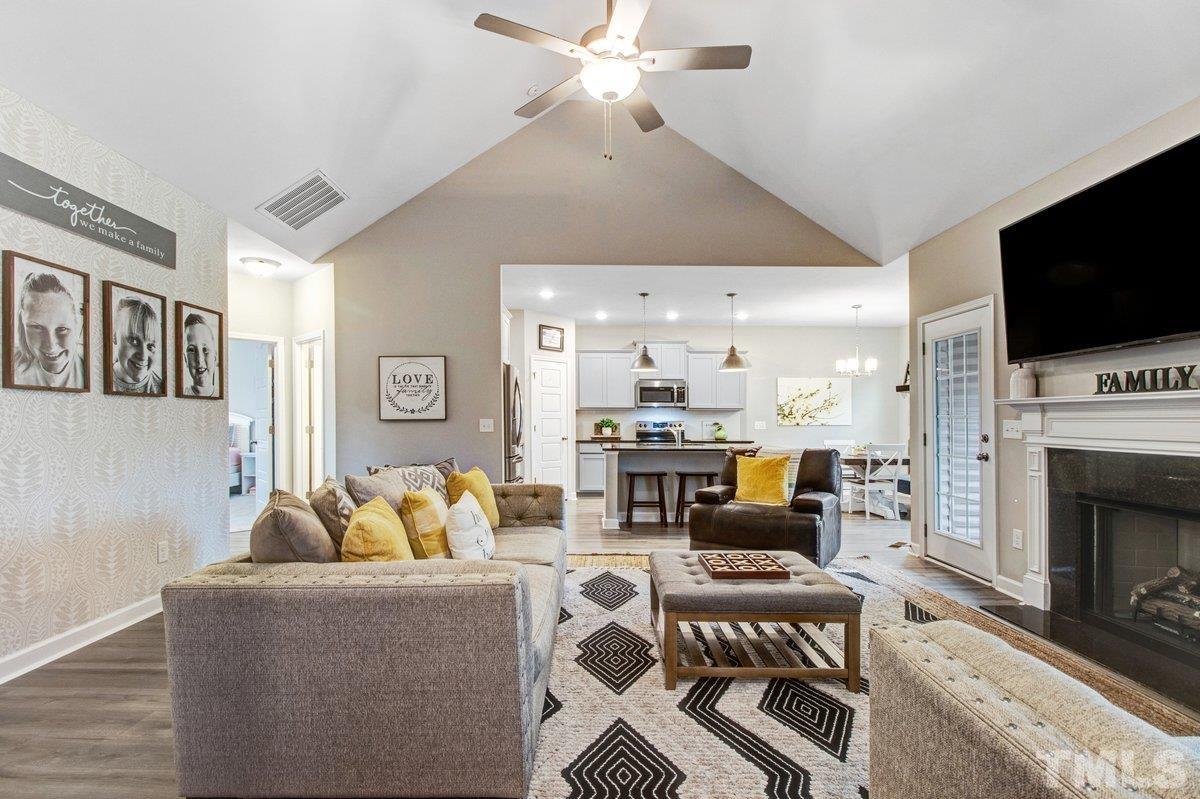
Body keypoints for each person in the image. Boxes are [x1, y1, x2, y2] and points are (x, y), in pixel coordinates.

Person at [12, 271, 85, 389]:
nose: (51, 346)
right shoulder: (9, 363)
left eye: (62, 329)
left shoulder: (90, 367)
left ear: (77, 323)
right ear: (22, 322)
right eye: (37, 327)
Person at [111, 296, 162, 394]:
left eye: (150, 346)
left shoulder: (160, 387)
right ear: (114, 335)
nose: (143, 356)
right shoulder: (97, 379)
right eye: (133, 341)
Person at [183, 312, 218, 397]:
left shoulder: (222, 396)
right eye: (191, 350)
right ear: (185, 359)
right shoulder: (184, 394)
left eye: (205, 349)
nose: (199, 359)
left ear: (215, 356)